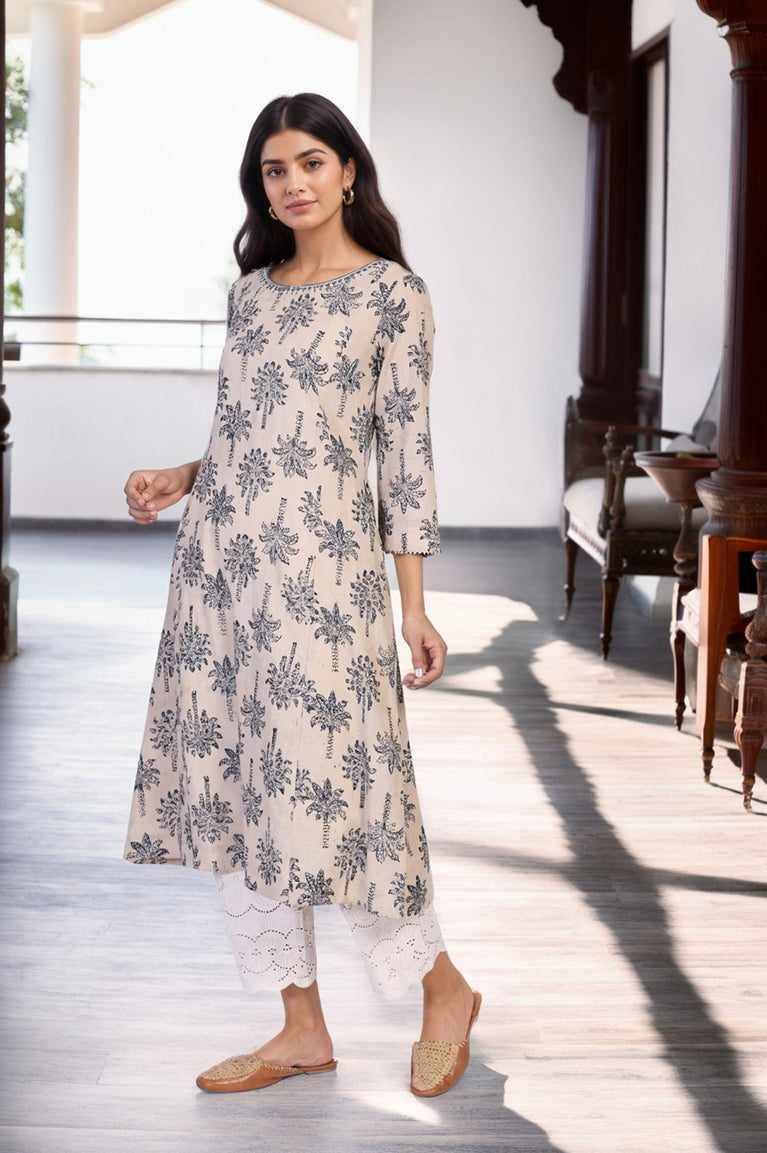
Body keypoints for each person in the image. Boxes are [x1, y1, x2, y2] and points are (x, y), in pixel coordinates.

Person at [124, 93, 479, 1098]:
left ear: (348, 171)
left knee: (344, 797)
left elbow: (402, 458)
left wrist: (412, 605)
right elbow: (253, 429)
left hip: (324, 585)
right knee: (243, 796)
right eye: (274, 170)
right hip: (219, 578)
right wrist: (182, 474)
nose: (292, 184)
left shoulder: (392, 296)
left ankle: (442, 988)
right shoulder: (251, 295)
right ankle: (299, 1027)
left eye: (310, 163)